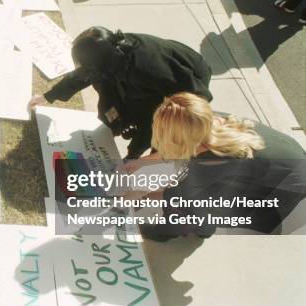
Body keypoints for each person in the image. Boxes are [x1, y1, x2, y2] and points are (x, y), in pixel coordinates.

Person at [133, 92, 306, 241]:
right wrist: (140, 164)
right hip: (287, 150)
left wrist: (148, 209)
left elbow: (180, 194)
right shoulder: (201, 119)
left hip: (290, 179)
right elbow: (174, 152)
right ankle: (204, 230)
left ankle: (187, 232)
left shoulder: (213, 162)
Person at [29, 27, 213, 160]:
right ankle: (123, 132)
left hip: (187, 79)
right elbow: (82, 75)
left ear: (107, 64)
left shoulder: (149, 68)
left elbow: (191, 98)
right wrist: (48, 96)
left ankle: (143, 161)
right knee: (111, 104)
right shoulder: (107, 53)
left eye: (92, 69)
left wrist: (134, 156)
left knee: (159, 126)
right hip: (139, 75)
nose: (88, 73)